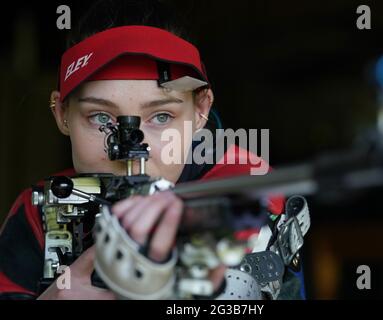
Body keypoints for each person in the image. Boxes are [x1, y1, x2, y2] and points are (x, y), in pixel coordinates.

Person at [0, 0, 306, 300]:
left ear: (201, 110)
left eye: (161, 117)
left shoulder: (245, 186)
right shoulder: (40, 209)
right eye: (100, 118)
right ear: (62, 114)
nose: (131, 151)